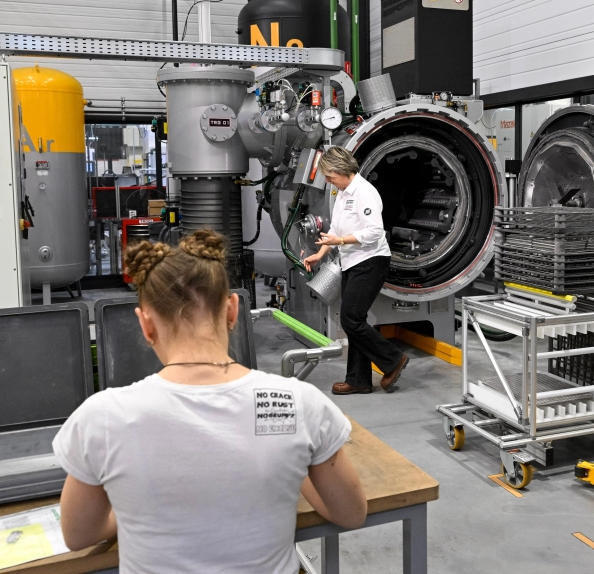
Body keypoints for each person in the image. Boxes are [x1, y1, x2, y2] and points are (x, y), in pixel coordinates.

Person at [52, 230, 367, 573]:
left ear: (145, 325)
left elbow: (79, 534)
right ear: (232, 311)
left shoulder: (102, 417)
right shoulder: (299, 404)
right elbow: (350, 513)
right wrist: (288, 465)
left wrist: (136, 504)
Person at [302, 146, 410, 395]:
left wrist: (339, 241)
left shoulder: (364, 192)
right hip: (351, 261)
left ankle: (393, 360)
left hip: (370, 261)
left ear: (342, 170)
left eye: (330, 176)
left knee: (351, 319)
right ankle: (359, 380)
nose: (329, 181)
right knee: (355, 320)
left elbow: (374, 232)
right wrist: (320, 254)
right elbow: (336, 231)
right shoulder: (342, 193)